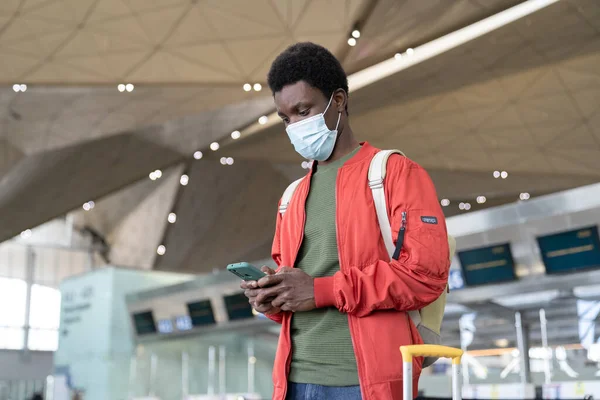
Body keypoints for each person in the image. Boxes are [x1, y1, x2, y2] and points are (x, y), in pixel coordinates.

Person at [241, 42, 450, 400]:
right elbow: (296, 292)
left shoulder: (395, 174)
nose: (294, 126)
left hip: (366, 383)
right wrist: (272, 297)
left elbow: (425, 276)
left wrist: (320, 290)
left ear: (338, 101)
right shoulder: (291, 197)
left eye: (303, 110)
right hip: (293, 381)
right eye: (286, 118)